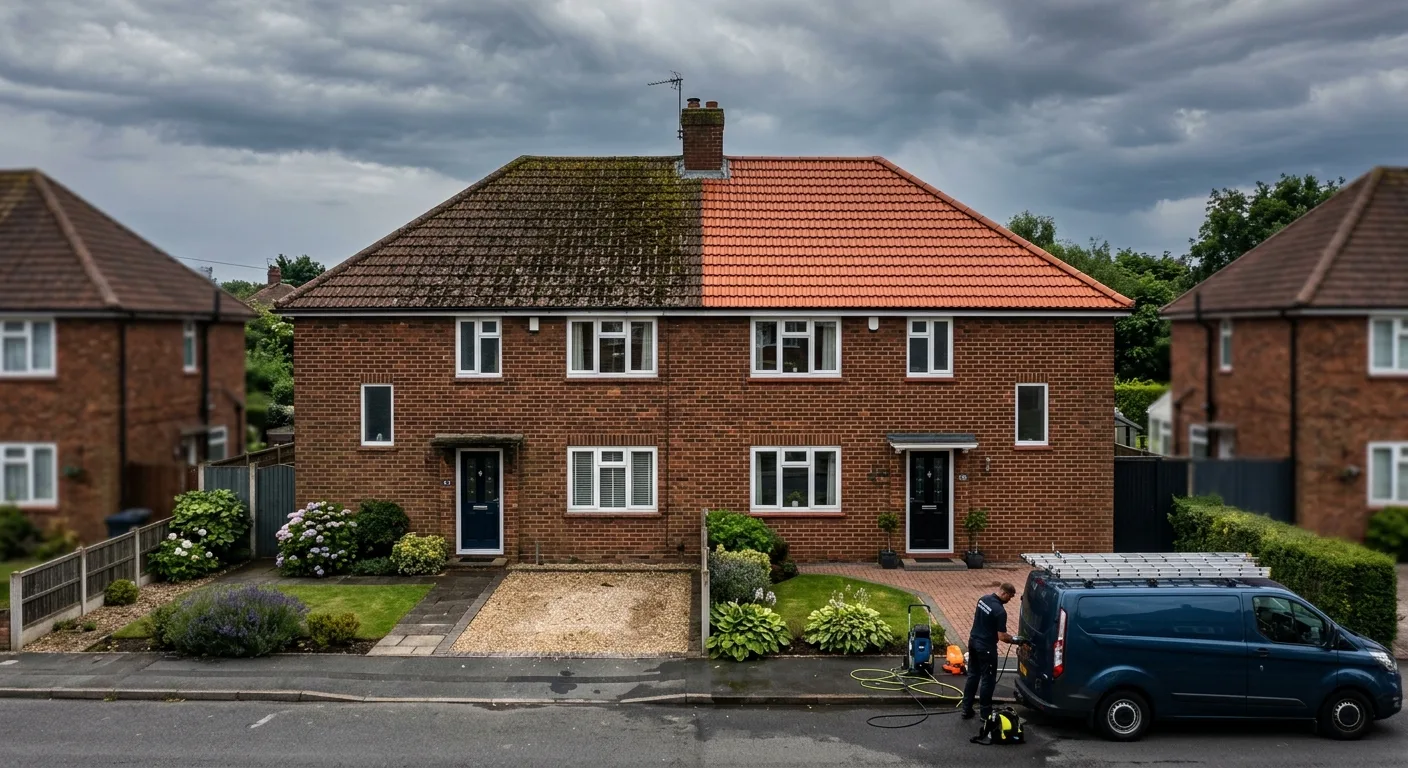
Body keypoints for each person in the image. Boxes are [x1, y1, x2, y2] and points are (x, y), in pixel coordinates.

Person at [960, 582, 1018, 720]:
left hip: (973, 642)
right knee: (988, 680)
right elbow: (1002, 636)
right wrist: (1016, 640)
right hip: (986, 648)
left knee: (973, 676)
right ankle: (985, 713)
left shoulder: (983, 599)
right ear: (1004, 593)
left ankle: (966, 709)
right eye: (1010, 597)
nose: (1009, 600)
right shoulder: (1000, 611)